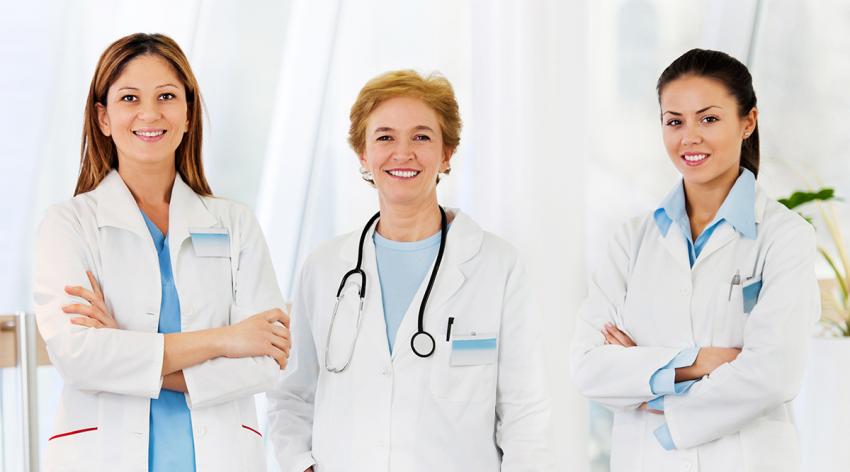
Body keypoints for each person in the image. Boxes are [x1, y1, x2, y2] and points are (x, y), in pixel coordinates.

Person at [267, 70, 552, 471]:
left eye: (421, 137)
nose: (403, 153)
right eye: (385, 137)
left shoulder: (497, 265)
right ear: (363, 154)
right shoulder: (326, 267)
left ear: (447, 152)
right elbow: (292, 396)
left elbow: (525, 413)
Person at [34, 33, 291, 471]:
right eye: (130, 97)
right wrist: (224, 339)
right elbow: (80, 357)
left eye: (167, 96)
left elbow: (266, 361)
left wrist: (127, 351)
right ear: (103, 117)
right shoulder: (69, 224)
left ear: (188, 113)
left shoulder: (235, 224)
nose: (150, 113)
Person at [571, 48, 819, 471]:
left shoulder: (785, 236)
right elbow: (589, 368)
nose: (690, 137)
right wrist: (700, 362)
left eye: (708, 118)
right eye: (674, 121)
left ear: (748, 122)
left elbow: (775, 372)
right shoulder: (631, 241)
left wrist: (653, 384)